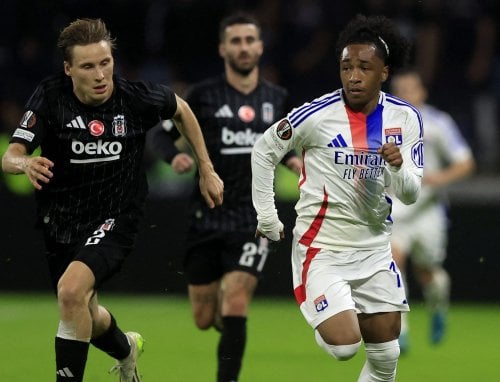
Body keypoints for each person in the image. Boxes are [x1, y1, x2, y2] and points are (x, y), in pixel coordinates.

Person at [1, 18, 224, 382]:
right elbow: (9, 156)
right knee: (85, 309)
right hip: (61, 221)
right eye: (88, 66)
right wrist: (25, 161)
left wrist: (206, 168)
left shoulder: (134, 98)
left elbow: (181, 109)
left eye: (105, 63)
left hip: (117, 216)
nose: (100, 74)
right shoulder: (50, 95)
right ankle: (126, 350)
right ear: (68, 69)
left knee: (70, 292)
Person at [251, 14, 422, 381]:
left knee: (386, 356)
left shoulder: (406, 118)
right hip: (323, 248)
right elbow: (264, 149)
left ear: (384, 72)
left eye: (364, 67)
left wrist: (397, 167)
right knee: (345, 346)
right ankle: (324, 306)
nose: (354, 76)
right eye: (346, 67)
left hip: (375, 250)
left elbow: (410, 193)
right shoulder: (316, 114)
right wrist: (267, 216)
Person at [149, 13, 300, 382]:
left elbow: (292, 146)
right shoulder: (202, 95)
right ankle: (225, 322)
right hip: (207, 215)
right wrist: (176, 156)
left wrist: (296, 162)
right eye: (236, 41)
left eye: (250, 40)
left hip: (254, 218)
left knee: (236, 298)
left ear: (261, 47)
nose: (244, 47)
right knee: (204, 319)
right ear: (223, 48)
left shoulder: (277, 99)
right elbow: (159, 136)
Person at [388, 69, 476, 350]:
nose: (406, 95)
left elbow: (465, 163)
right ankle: (400, 331)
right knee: (392, 262)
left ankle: (438, 308)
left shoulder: (439, 123)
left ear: (422, 92)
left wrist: (438, 179)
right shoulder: (380, 122)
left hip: (428, 210)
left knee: (428, 272)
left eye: (411, 89)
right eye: (400, 90)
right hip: (395, 209)